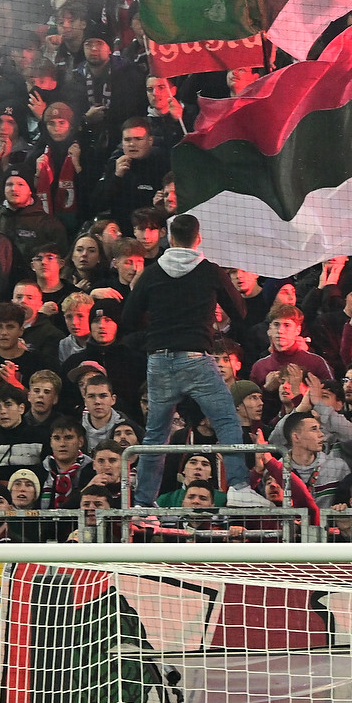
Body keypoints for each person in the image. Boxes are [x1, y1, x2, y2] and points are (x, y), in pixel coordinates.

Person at [117, 215, 269, 506]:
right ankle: (238, 487)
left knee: (156, 435)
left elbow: (128, 318)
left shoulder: (151, 273)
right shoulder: (210, 271)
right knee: (226, 420)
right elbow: (240, 312)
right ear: (198, 239)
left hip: (159, 361)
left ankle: (143, 501)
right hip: (196, 360)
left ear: (171, 239)